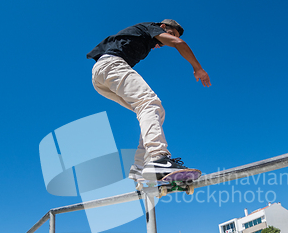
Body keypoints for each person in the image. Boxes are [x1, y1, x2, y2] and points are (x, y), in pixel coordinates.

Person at [87, 20, 211, 180]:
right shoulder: (151, 28)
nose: (166, 41)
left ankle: (140, 168)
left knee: (154, 111)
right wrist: (198, 68)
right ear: (163, 27)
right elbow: (179, 43)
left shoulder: (141, 34)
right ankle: (158, 159)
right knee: (150, 104)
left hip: (100, 77)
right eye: (170, 33)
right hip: (112, 66)